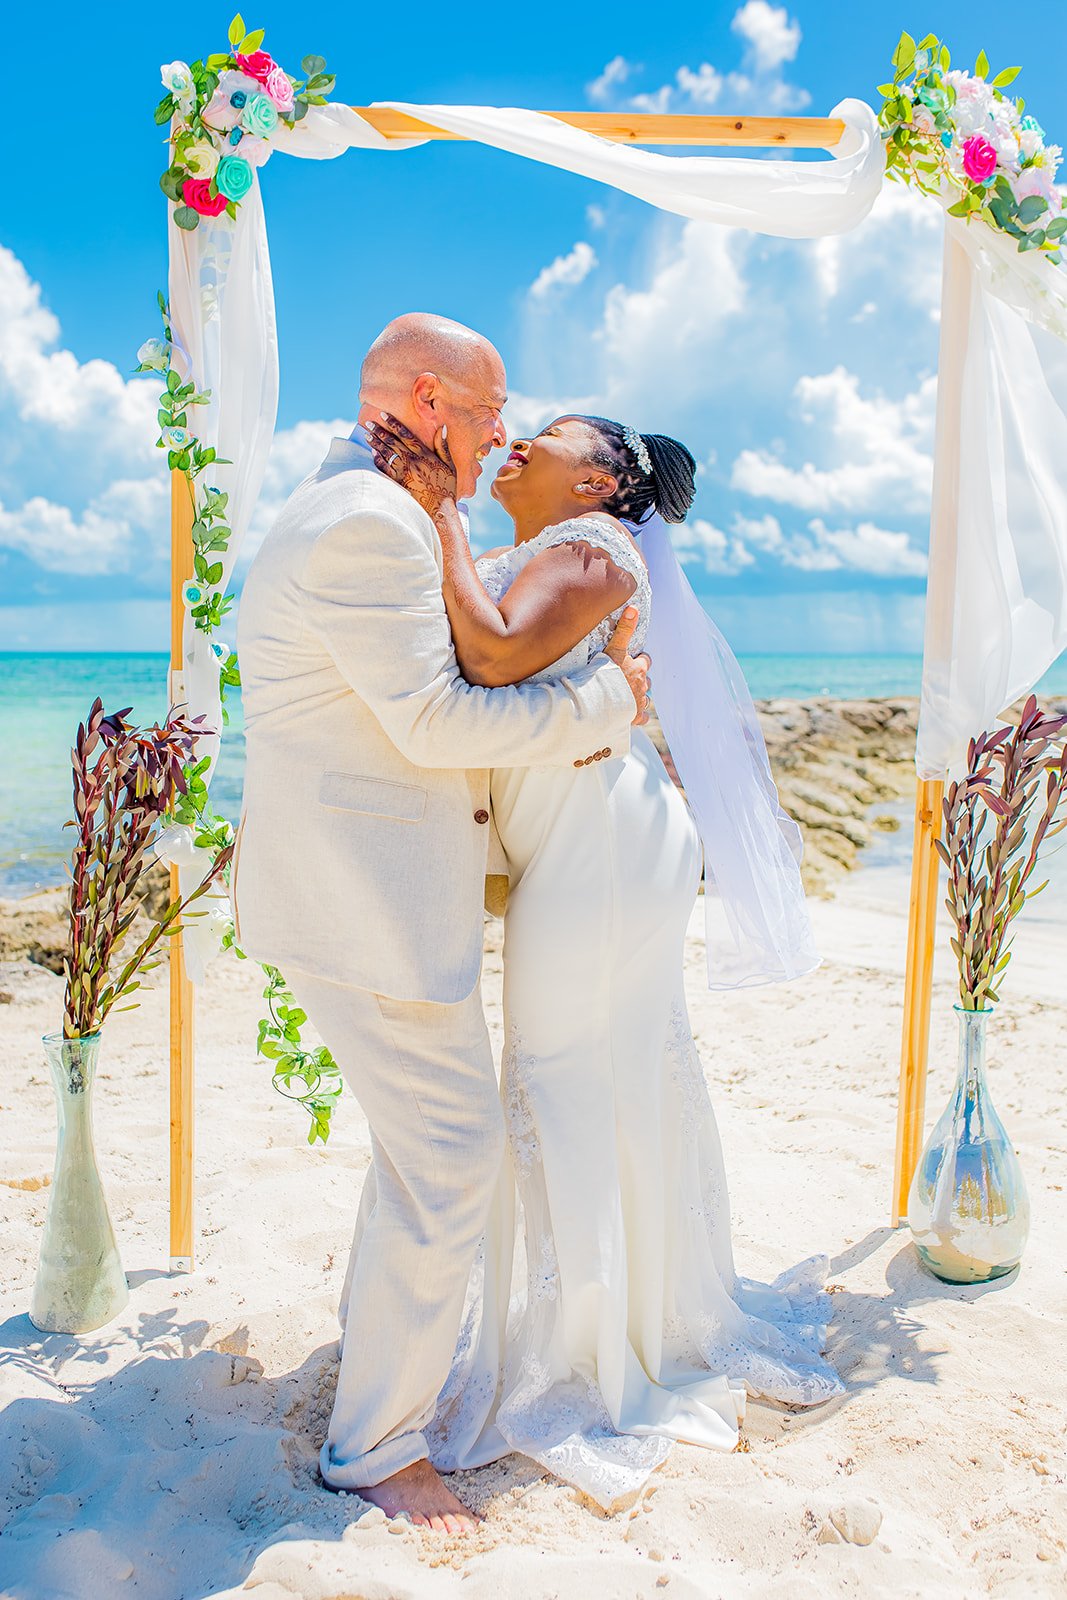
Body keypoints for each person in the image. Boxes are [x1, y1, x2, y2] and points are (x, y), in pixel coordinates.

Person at [368, 409, 842, 1510]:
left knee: (558, 1076)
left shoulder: (595, 552)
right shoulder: (555, 551)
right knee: (602, 1073)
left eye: (548, 436)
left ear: (600, 484)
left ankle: (586, 1345)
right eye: (518, 430)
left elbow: (489, 652)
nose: (518, 442)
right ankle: (618, 1308)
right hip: (589, 835)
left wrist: (438, 510)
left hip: (601, 845)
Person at [233, 316, 653, 1534]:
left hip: (356, 886)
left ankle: (379, 1388)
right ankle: (374, 1447)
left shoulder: (362, 499)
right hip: (365, 897)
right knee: (451, 1155)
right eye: (484, 413)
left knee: (423, 1154)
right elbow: (435, 724)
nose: (496, 435)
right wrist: (601, 706)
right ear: (427, 398)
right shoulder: (369, 520)